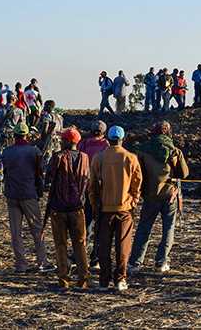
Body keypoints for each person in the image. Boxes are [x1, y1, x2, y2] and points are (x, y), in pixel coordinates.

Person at [129, 121, 189, 274]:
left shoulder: (143, 151)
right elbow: (184, 174)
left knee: (144, 229)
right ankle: (161, 262)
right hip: (170, 195)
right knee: (168, 229)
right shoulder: (175, 151)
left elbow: (139, 174)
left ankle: (135, 263)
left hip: (150, 195)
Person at [89, 126, 142, 291]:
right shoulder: (130, 158)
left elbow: (92, 186)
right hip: (125, 209)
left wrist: (95, 204)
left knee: (103, 245)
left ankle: (104, 280)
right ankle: (120, 279)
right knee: (123, 246)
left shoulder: (99, 158)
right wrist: (133, 201)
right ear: (122, 139)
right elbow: (137, 183)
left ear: (108, 138)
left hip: (104, 209)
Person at [1, 122, 52, 273]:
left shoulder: (7, 152)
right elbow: (40, 172)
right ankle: (42, 262)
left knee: (16, 232)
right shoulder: (34, 151)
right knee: (37, 230)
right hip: (29, 194)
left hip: (12, 194)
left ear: (14, 135)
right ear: (26, 135)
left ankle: (21, 264)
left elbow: (5, 172)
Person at [46, 128, 90, 289]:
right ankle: (83, 279)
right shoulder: (85, 158)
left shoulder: (57, 157)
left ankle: (63, 279)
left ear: (65, 141)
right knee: (80, 244)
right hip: (78, 208)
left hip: (58, 208)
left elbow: (48, 177)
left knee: (60, 244)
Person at [77, 120, 109, 270]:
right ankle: (95, 258)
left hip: (85, 188)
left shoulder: (83, 145)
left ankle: (80, 255)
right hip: (101, 189)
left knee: (86, 224)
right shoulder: (106, 146)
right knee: (101, 225)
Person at [38, 100, 64, 166]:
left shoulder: (48, 116)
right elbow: (61, 129)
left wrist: (42, 140)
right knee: (56, 158)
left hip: (49, 140)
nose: (44, 107)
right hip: (58, 140)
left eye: (45, 106)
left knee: (46, 159)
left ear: (49, 106)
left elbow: (45, 129)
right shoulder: (59, 117)